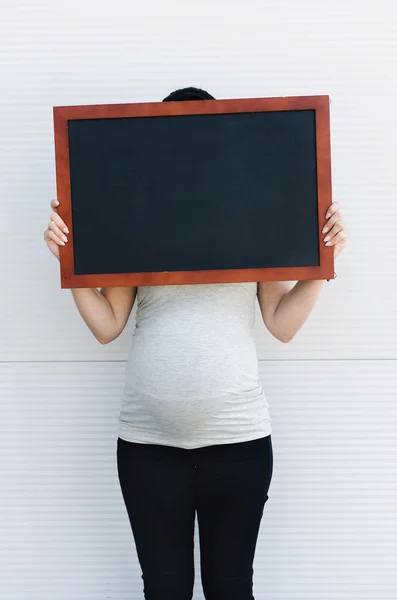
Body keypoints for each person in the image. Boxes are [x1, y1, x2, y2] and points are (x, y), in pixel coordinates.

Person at [43, 86, 348, 600]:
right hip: (147, 448)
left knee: (230, 590)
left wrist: (323, 264)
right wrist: (67, 263)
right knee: (164, 591)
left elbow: (281, 322)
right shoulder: (134, 220)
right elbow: (107, 325)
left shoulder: (255, 219)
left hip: (239, 445)